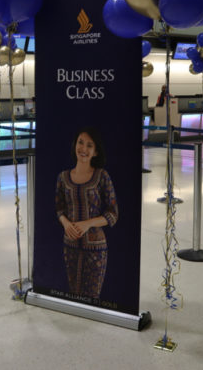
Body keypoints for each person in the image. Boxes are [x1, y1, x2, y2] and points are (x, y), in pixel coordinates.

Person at [55, 127, 118, 299]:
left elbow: (113, 214)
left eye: (89, 145)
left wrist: (88, 223)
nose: (83, 148)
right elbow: (59, 209)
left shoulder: (102, 176)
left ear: (95, 152)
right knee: (73, 293)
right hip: (70, 245)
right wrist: (66, 223)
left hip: (96, 247)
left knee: (92, 297)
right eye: (80, 142)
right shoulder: (63, 177)